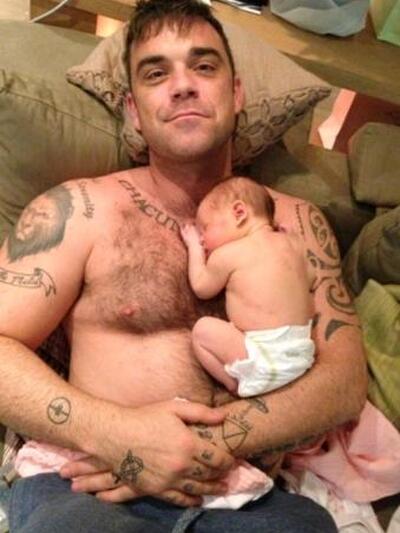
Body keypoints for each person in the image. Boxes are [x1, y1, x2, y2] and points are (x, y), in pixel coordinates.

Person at [0, 0, 366, 531]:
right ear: (132, 110)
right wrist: (116, 435)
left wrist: (200, 444)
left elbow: (345, 380)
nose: (183, 86)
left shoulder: (297, 223)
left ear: (236, 94)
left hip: (247, 495)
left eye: (204, 66)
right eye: (156, 73)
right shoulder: (79, 210)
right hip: (92, 486)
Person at [180, 175, 316, 398]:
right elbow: (311, 279)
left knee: (202, 331)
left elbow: (201, 287)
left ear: (239, 213)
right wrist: (296, 241)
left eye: (205, 228)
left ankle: (233, 384)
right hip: (302, 353)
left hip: (262, 357)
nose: (203, 239)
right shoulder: (293, 244)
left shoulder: (228, 253)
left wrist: (193, 247)